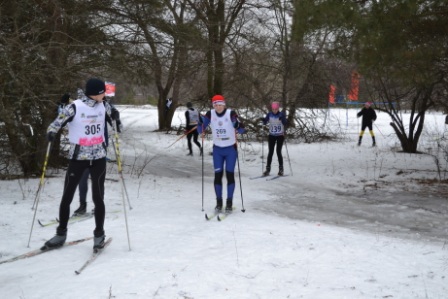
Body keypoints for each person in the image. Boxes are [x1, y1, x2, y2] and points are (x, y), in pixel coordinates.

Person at [43, 78, 118, 251]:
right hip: (78, 159)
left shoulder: (103, 105)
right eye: (102, 92)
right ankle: (61, 233)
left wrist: (116, 117)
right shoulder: (74, 107)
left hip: (99, 158)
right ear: (96, 93)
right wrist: (52, 133)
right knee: (67, 197)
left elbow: (112, 113)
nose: (104, 95)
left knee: (98, 198)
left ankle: (99, 234)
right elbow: (56, 122)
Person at [197, 94, 245, 212]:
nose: (218, 107)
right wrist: (201, 126)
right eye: (216, 105)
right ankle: (219, 202)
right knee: (217, 176)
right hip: (218, 150)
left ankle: (229, 202)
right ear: (213, 105)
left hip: (230, 150)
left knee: (229, 175)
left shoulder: (231, 113)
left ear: (224, 104)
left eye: (220, 104)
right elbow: (201, 128)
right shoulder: (210, 114)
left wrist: (237, 125)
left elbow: (242, 130)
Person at [260, 101, 287, 176]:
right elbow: (265, 122)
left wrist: (283, 119)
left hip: (280, 136)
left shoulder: (281, 114)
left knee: (278, 152)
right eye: (273, 109)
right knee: (270, 152)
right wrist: (263, 120)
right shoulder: (269, 114)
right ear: (272, 109)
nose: (274, 110)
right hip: (271, 136)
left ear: (278, 108)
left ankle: (281, 170)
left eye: (276, 109)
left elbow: (285, 123)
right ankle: (267, 169)